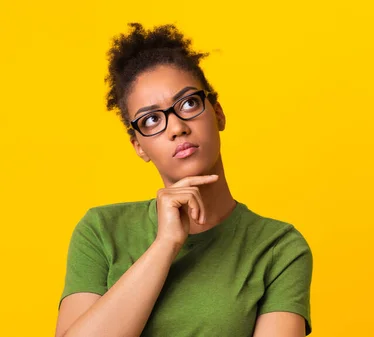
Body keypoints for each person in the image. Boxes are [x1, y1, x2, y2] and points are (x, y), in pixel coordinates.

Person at [55, 22, 313, 337]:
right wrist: (166, 244)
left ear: (217, 112)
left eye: (188, 103)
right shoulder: (101, 230)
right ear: (139, 146)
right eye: (151, 120)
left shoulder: (278, 247)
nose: (176, 127)